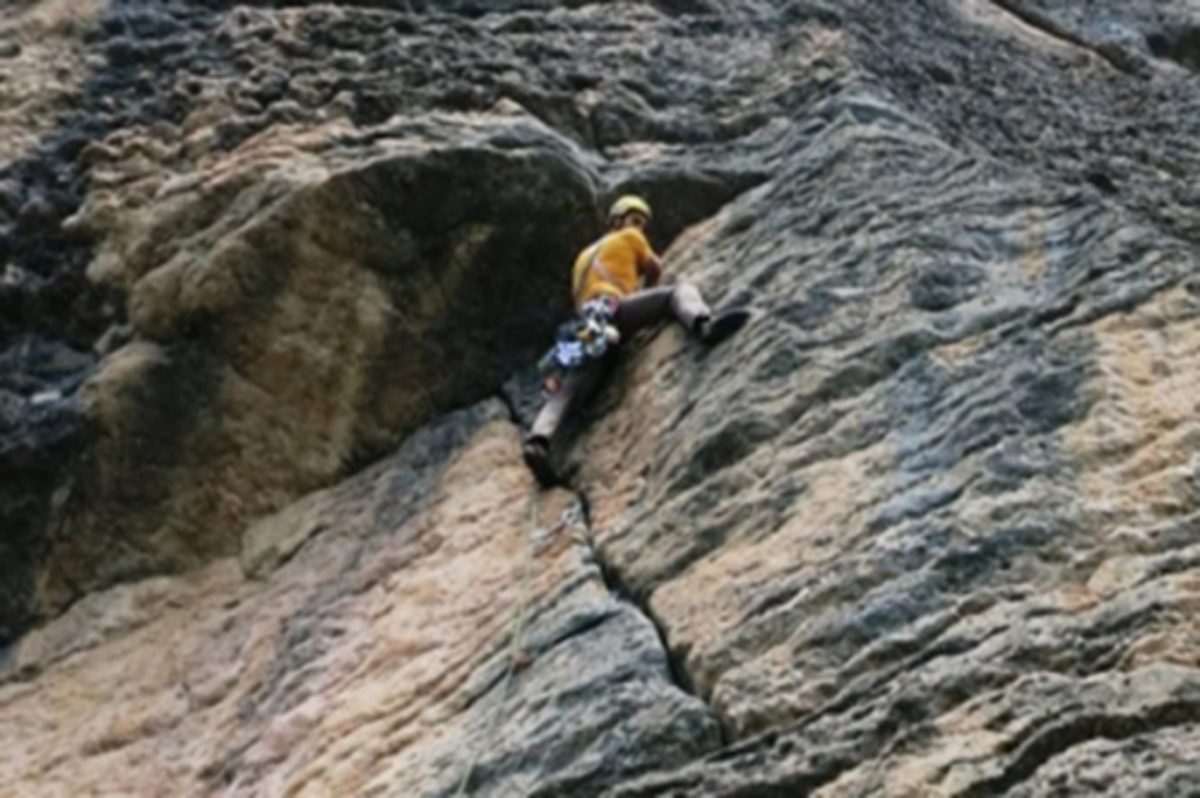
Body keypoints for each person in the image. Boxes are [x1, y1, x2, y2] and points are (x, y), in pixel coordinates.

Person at [522, 195, 749, 486]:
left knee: (569, 388)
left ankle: (539, 440)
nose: (639, 228)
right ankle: (703, 324)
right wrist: (645, 303)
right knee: (676, 293)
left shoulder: (581, 259)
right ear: (617, 223)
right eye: (635, 220)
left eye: (641, 224)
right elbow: (654, 269)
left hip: (588, 325)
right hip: (615, 311)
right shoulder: (630, 237)